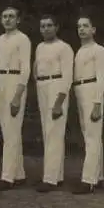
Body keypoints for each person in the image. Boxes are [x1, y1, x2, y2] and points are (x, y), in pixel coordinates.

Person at [0, 7, 32, 191]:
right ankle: (19, 174)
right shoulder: (1, 38)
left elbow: (26, 69)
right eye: (5, 16)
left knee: (12, 128)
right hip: (2, 80)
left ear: (18, 20)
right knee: (7, 128)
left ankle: (7, 177)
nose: (8, 19)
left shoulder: (22, 39)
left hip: (15, 81)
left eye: (11, 16)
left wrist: (18, 95)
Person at [33, 14, 74, 193]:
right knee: (47, 132)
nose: (46, 29)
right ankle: (57, 176)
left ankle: (49, 178)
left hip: (57, 86)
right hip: (42, 86)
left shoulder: (64, 48)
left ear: (57, 27)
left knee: (54, 131)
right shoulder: (40, 47)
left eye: (49, 25)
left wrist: (59, 102)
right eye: (43, 26)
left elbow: (67, 76)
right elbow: (36, 69)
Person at [71, 15, 104, 194]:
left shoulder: (98, 50)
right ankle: (98, 176)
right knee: (90, 136)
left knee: (92, 136)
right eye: (79, 26)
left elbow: (101, 78)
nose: (82, 29)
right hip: (80, 90)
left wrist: (97, 103)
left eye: (85, 26)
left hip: (92, 90)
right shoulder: (79, 51)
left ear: (93, 30)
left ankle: (88, 180)